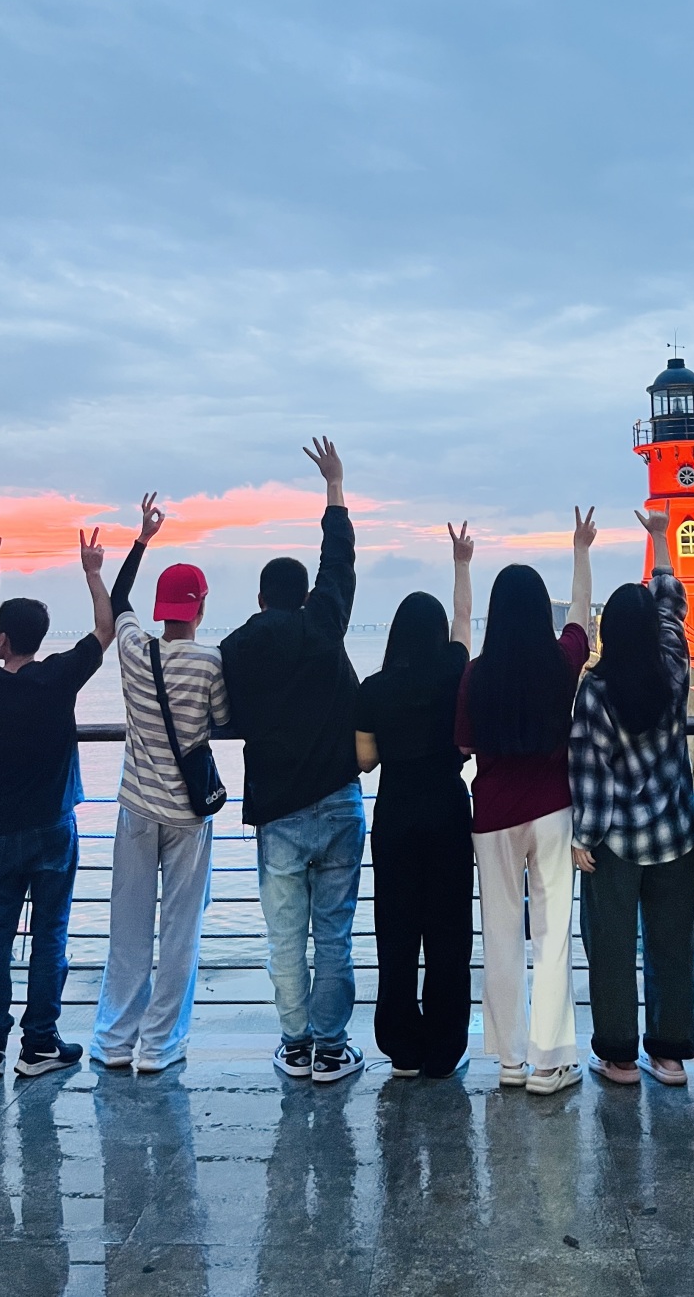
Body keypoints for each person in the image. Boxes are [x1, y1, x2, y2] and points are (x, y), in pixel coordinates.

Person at [220, 438, 365, 1084]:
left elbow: (228, 712)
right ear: (304, 594)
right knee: (333, 932)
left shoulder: (237, 646)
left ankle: (296, 1042)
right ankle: (332, 1047)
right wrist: (334, 487)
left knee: (284, 936)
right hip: (338, 799)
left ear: (260, 598)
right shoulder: (323, 624)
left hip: (278, 809)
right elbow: (340, 562)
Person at [0, 528, 115, 1080]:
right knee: (50, 935)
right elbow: (105, 629)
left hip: (2, 828)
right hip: (53, 825)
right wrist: (93, 572)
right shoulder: (58, 676)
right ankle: (40, 1044)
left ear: (3, 639)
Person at [456, 506, 596, 1096]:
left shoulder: (477, 673)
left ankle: (510, 1060)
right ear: (542, 612)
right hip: (552, 809)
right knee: (553, 933)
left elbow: (465, 743)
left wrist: (461, 567)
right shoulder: (560, 662)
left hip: (492, 815)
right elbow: (583, 616)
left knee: (501, 934)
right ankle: (549, 1062)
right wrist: (580, 550)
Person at [90, 493, 230, 1072]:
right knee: (179, 930)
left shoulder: (133, 649)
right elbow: (221, 718)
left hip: (136, 806)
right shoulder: (209, 662)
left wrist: (141, 540)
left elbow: (118, 599)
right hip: (187, 816)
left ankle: (114, 1040)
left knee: (127, 927)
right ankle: (160, 1044)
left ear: (161, 608)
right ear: (199, 608)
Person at [570, 507, 694, 1087]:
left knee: (612, 946)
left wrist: (583, 837)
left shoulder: (595, 690)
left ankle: (619, 1056)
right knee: (671, 945)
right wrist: (661, 539)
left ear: (606, 633)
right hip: (674, 833)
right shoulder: (675, 665)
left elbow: (590, 773)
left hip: (616, 842)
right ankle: (668, 1056)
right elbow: (670, 605)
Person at [356, 522, 475, 1079]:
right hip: (447, 810)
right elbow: (464, 621)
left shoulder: (374, 688)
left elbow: (365, 760)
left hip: (396, 814)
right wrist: (462, 563)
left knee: (397, 930)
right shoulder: (453, 672)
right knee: (449, 930)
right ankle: (444, 1049)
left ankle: (402, 1046)